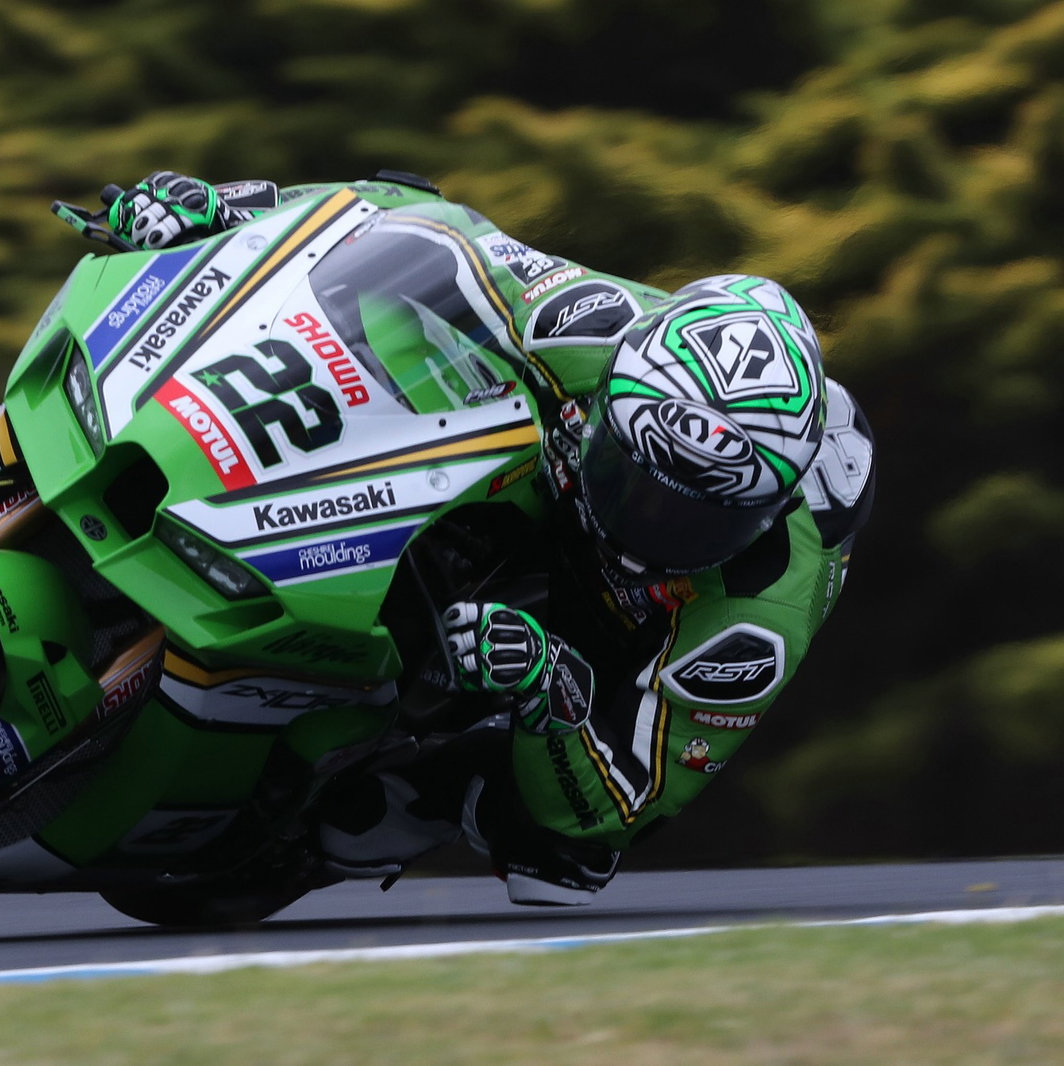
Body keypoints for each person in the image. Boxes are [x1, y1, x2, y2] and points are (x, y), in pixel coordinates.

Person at [104, 170, 877, 905]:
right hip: (550, 479)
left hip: (633, 631)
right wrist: (233, 210)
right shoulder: (593, 328)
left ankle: (438, 792)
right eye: (628, 474)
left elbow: (620, 805)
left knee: (557, 858)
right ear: (612, 394)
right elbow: (413, 219)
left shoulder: (758, 610)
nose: (643, 525)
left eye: (692, 518)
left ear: (758, 516)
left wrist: (556, 691)